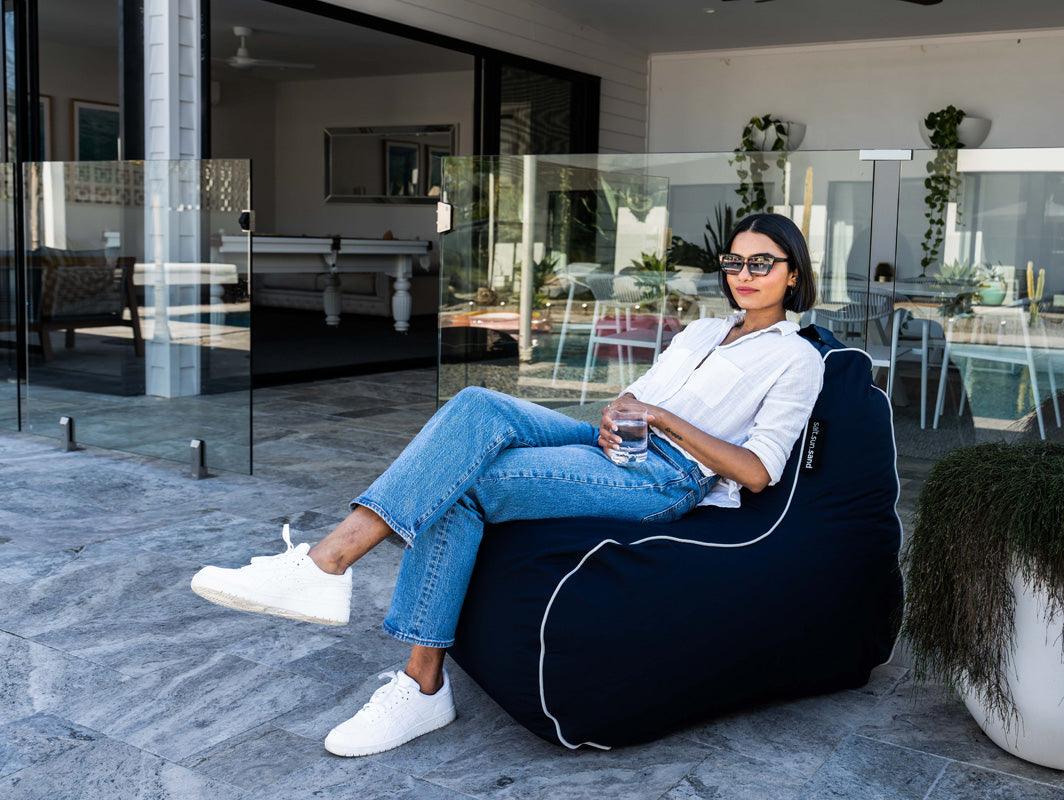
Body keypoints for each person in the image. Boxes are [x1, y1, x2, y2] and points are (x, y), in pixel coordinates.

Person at [190, 212, 825, 757]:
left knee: (465, 482)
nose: (744, 274)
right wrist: (621, 408)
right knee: (476, 405)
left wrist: (662, 420)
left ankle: (386, 641)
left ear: (792, 273)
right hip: (617, 442)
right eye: (735, 262)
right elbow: (642, 393)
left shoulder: (796, 360)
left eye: (762, 263)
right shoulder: (703, 331)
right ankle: (334, 582)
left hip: (668, 477)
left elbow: (759, 471)